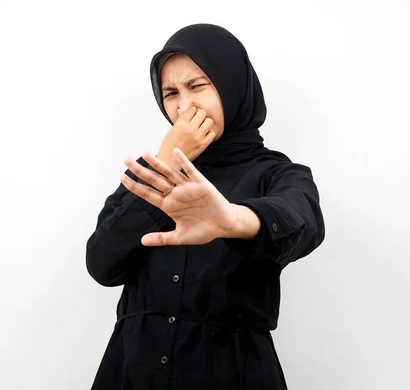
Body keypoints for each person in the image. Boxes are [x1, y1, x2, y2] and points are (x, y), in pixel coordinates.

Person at [85, 23, 325, 390]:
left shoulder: (277, 173)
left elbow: (302, 221)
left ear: (233, 87)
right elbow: (101, 263)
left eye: (197, 86)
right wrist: (165, 163)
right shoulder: (144, 176)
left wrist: (233, 220)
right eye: (170, 93)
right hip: (131, 373)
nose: (184, 106)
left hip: (231, 373)